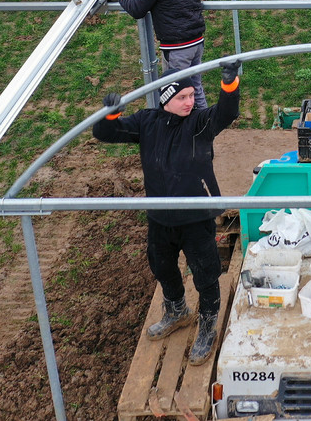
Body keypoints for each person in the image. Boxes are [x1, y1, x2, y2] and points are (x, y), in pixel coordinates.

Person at [94, 60, 240, 365]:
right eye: (182, 97)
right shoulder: (148, 122)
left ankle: (208, 323)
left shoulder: (199, 123)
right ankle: (176, 311)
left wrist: (229, 84)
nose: (189, 102)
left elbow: (226, 113)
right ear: (165, 99)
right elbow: (107, 133)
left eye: (192, 96)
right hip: (160, 217)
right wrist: (110, 113)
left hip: (196, 216)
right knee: (162, 266)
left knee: (205, 272)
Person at [111, 0, 207, 111]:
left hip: (178, 46)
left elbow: (137, 9)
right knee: (195, 88)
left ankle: (179, 135)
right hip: (196, 42)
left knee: (175, 95)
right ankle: (204, 127)